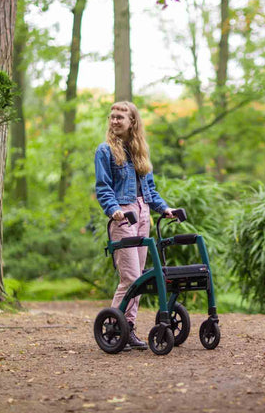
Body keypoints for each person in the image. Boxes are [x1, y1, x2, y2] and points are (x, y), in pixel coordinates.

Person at [95, 101, 175, 350]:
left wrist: (164, 208)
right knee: (129, 277)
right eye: (112, 117)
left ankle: (127, 327)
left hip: (142, 213)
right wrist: (114, 210)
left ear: (132, 122)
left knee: (138, 278)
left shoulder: (140, 150)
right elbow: (103, 187)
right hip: (123, 214)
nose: (115, 121)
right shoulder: (105, 151)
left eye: (120, 117)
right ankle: (116, 328)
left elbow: (150, 189)